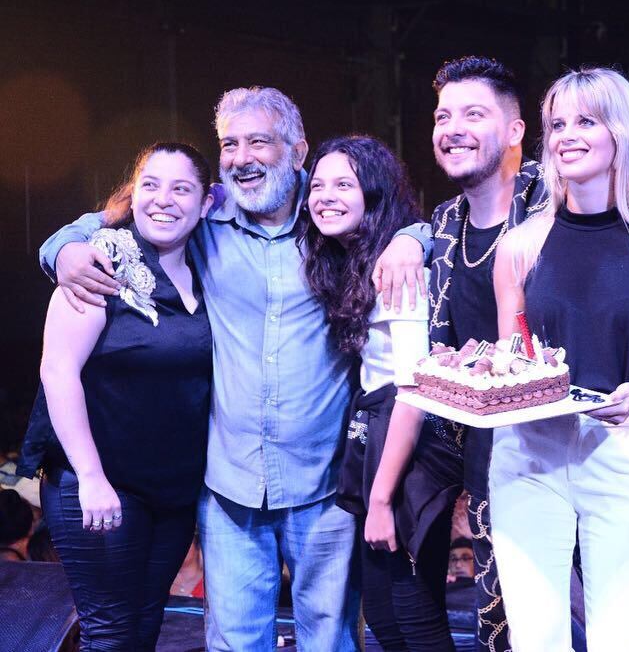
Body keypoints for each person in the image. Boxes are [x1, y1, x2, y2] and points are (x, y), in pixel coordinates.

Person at [36, 88, 427, 651]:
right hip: (228, 486)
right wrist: (64, 248)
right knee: (234, 643)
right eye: (230, 144)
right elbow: (125, 213)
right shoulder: (207, 215)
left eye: (259, 142)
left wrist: (413, 240)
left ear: (298, 151)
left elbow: (414, 221)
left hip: (323, 484)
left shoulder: (333, 219)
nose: (243, 157)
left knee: (330, 640)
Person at [490, 67, 629, 651]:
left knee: (622, 641)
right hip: (530, 450)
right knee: (536, 640)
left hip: (624, 445)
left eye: (585, 120)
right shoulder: (521, 245)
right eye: (556, 123)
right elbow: (512, 363)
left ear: (622, 133)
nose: (565, 135)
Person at [374, 55, 546, 652]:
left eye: (474, 114)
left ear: (517, 130)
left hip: (551, 439)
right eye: (443, 115)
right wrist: (407, 236)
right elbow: (423, 364)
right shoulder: (443, 225)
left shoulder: (555, 204)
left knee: (541, 609)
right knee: (397, 549)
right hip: (466, 437)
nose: (452, 128)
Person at [19, 143, 214, 649]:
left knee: (146, 625)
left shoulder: (210, 266)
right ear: (135, 191)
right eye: (151, 185)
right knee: (109, 633)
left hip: (171, 491)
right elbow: (57, 369)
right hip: (100, 484)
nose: (163, 200)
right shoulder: (99, 259)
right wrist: (90, 476)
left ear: (206, 202)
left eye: (181, 188)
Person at [300, 135, 463, 651]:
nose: (325, 195)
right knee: (388, 619)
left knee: (414, 616)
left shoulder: (398, 266)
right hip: (379, 434)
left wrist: (381, 498)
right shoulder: (356, 260)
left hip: (410, 447)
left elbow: (413, 387)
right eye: (318, 184)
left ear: (374, 194)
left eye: (344, 184)